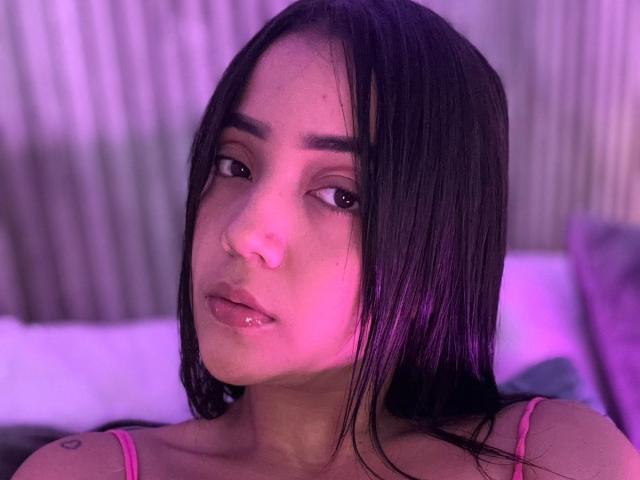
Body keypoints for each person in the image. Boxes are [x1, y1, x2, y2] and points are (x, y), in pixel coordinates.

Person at [13, 0, 640, 479]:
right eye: (235, 165)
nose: (243, 234)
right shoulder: (82, 472)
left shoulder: (556, 457)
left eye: (341, 195)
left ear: (440, 244)